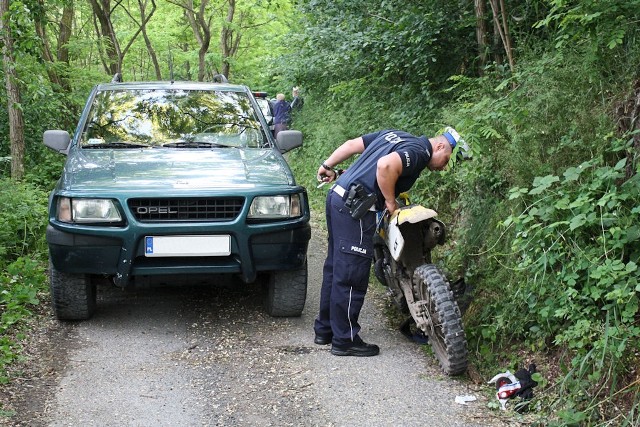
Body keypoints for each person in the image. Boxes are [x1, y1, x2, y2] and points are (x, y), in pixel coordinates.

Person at [313, 127, 465, 357]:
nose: (444, 167)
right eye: (447, 160)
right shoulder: (419, 151)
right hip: (357, 209)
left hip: (338, 196)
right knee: (351, 275)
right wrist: (390, 202)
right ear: (441, 147)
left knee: (335, 268)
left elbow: (352, 144)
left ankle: (325, 330)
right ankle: (344, 340)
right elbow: (385, 166)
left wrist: (327, 165)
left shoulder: (396, 135)